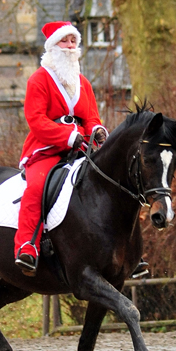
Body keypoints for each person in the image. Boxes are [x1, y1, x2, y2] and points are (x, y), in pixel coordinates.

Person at [14, 21, 108, 276]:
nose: (69, 47)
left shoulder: (83, 83)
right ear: (52, 46)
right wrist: (68, 136)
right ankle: (27, 246)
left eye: (73, 42)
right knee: (36, 186)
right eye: (64, 41)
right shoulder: (39, 80)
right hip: (45, 148)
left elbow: (91, 117)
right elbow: (36, 121)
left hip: (81, 147)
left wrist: (97, 131)